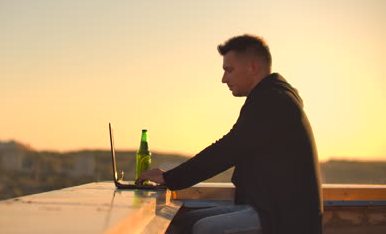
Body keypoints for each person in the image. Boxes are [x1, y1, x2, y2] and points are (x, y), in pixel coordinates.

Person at [136, 34, 323, 234]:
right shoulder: (271, 96)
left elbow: (228, 149)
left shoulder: (273, 101)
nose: (224, 79)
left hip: (287, 220)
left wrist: (171, 178)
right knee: (187, 220)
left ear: (252, 67)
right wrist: (172, 178)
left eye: (229, 70)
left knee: (204, 228)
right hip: (269, 208)